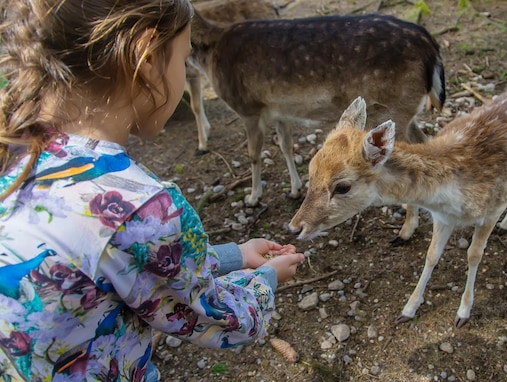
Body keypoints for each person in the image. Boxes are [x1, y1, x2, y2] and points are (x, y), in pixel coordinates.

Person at [0, 0, 305, 380]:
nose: (185, 70)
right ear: (145, 58)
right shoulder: (137, 208)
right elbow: (222, 319)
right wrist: (268, 278)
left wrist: (234, 255)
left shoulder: (16, 149)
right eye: (183, 58)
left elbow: (123, 265)